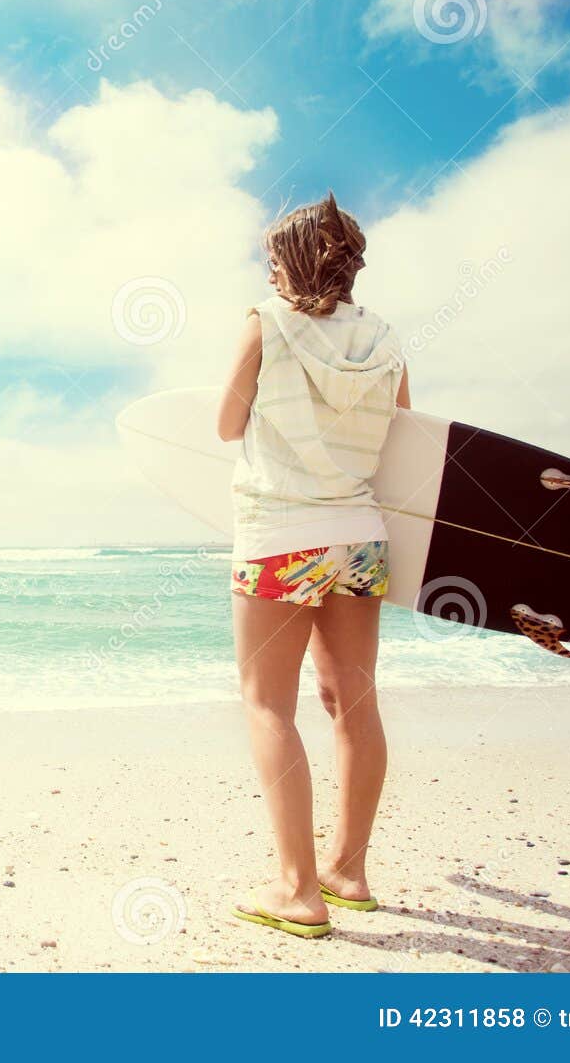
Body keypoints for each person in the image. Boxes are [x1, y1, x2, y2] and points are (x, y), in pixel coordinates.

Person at [216, 193, 409, 938]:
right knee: (353, 700)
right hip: (359, 536)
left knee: (268, 702)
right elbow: (403, 437)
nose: (267, 271)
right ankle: (348, 872)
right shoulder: (386, 339)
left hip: (279, 535)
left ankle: (298, 891)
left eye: (272, 258)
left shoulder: (265, 323)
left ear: (292, 262)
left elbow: (226, 424)